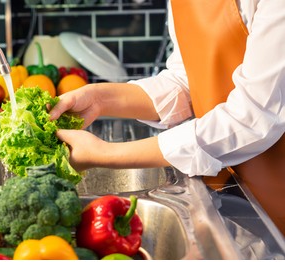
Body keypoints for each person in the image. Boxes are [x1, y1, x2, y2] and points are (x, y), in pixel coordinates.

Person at [49, 0, 285, 237]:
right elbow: (186, 81)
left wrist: (103, 154)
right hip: (234, 195)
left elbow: (253, 117)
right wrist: (99, 99)